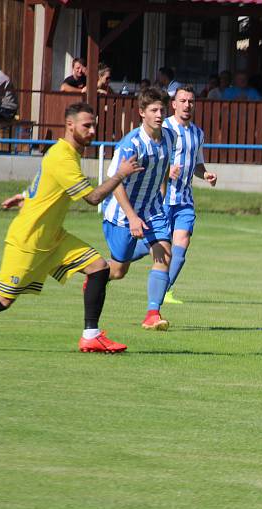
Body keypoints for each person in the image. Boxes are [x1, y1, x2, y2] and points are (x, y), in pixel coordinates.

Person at [0, 102, 141, 352]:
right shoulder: (62, 156)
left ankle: (91, 335)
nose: (93, 130)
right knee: (3, 299)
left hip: (53, 238)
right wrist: (120, 174)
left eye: (94, 125)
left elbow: (43, 183)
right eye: (87, 125)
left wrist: (24, 195)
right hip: (29, 240)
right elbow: (92, 198)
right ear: (70, 125)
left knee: (99, 267)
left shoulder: (64, 153)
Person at [101, 87, 177, 330]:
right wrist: (133, 217)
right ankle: (96, 274)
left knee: (165, 251)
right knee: (118, 270)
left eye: (162, 110)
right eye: (153, 110)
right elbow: (115, 182)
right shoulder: (131, 144)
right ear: (141, 112)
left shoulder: (170, 137)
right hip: (123, 214)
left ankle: (152, 313)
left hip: (152, 209)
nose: (159, 114)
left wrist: (162, 193)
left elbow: (163, 166)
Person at [160, 86, 217, 305]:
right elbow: (151, 158)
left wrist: (206, 174)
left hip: (184, 200)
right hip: (162, 199)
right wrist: (167, 169)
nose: (187, 105)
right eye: (182, 101)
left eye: (191, 101)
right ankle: (112, 267)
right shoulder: (163, 127)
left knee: (182, 242)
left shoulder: (197, 133)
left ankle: (164, 290)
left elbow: (197, 165)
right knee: (153, 246)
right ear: (173, 104)